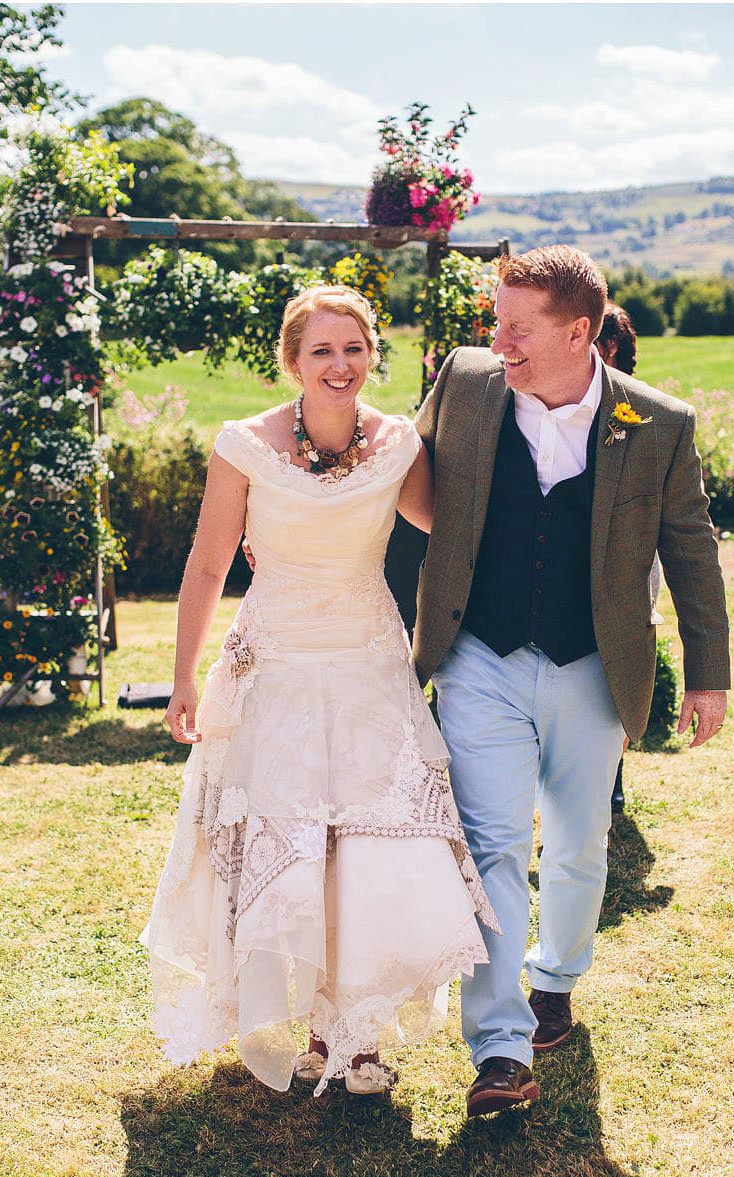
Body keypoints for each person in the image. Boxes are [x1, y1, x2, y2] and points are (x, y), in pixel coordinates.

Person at [142, 285, 498, 1098]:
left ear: (373, 353)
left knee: (372, 845)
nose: (340, 366)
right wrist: (182, 677)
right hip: (273, 670)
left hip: (370, 664)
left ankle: (359, 1034)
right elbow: (207, 564)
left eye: (354, 349)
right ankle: (304, 1021)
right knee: (294, 844)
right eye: (321, 352)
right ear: (293, 361)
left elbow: (451, 529)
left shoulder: (401, 444)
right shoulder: (244, 445)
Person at [412, 246, 730, 1116]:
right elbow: (402, 484)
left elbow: (691, 551)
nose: (499, 341)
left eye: (518, 328)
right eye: (496, 324)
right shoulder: (466, 385)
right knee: (494, 844)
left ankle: (557, 977)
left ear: (580, 332)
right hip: (479, 655)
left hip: (595, 662)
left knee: (582, 842)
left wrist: (707, 675)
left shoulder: (658, 423)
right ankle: (501, 1048)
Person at [593, 303, 660, 813]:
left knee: (615, 664)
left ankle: (611, 774)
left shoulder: (640, 415)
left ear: (611, 347)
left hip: (635, 562)